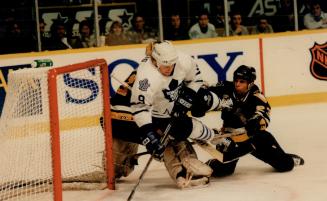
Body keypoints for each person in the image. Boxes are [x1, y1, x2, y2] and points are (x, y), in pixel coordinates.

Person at [130, 40, 230, 188]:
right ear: (155, 61)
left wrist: (187, 97)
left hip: (182, 93)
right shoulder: (146, 77)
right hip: (161, 111)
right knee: (183, 129)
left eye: (172, 64)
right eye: (165, 65)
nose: (169, 68)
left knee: (203, 99)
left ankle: (223, 103)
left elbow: (196, 80)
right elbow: (139, 108)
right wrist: (150, 135)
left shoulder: (183, 60)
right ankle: (213, 135)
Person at [201, 65, 304, 177]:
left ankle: (286, 157)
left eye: (242, 81)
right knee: (224, 170)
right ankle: (204, 165)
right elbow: (206, 87)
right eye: (236, 80)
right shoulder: (226, 87)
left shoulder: (256, 96)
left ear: (250, 83)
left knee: (285, 165)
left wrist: (255, 121)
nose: (237, 84)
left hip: (253, 137)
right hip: (229, 138)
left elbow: (264, 113)